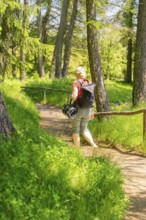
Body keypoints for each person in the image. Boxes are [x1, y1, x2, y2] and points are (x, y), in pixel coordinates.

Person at [71, 66, 98, 147]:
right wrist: (92, 111)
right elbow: (92, 98)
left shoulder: (76, 82)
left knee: (76, 130)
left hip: (78, 109)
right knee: (84, 129)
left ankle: (77, 150)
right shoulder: (88, 83)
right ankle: (93, 145)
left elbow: (74, 97)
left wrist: (72, 96)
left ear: (77, 74)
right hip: (88, 110)